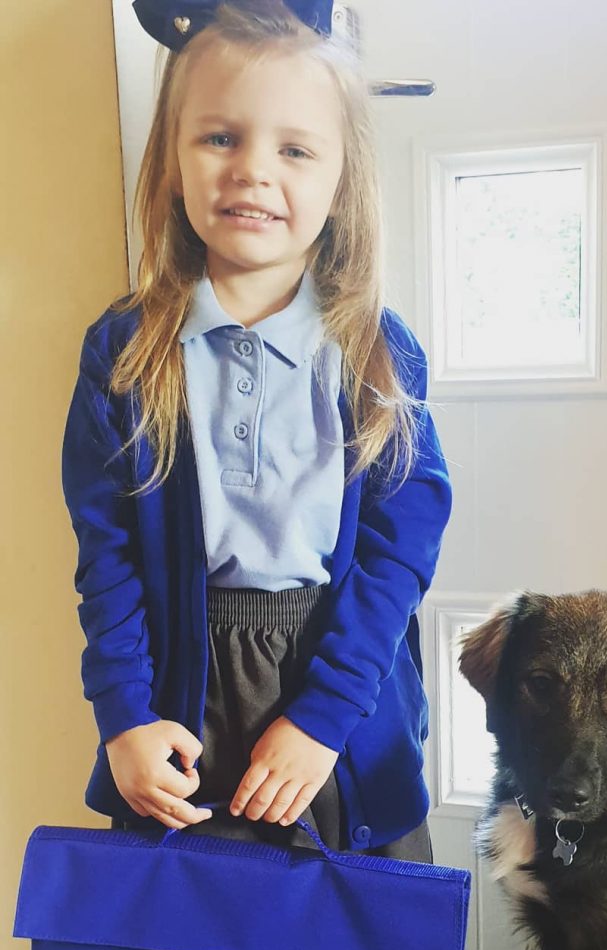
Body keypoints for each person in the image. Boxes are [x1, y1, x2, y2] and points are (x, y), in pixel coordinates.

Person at [60, 0, 452, 862]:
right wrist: (125, 716)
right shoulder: (125, 352)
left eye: (295, 149)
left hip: (338, 695)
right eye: (219, 139)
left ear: (341, 177)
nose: (253, 172)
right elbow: (108, 556)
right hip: (181, 702)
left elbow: (398, 557)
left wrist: (321, 722)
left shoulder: (380, 357)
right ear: (171, 158)